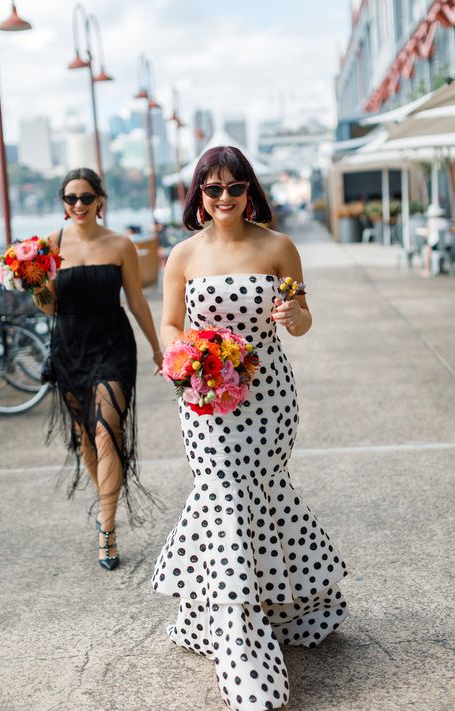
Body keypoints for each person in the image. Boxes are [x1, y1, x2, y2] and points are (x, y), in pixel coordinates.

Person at [152, 146, 348, 711]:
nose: (223, 198)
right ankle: (241, 645)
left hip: (267, 400)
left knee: (256, 495)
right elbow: (169, 323)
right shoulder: (182, 254)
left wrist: (294, 316)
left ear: (249, 191)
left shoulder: (278, 247)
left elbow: (304, 320)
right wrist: (188, 357)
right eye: (212, 190)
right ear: (198, 196)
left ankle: (271, 607)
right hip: (204, 400)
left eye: (234, 188)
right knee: (222, 498)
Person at [33, 167, 163, 571]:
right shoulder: (49, 246)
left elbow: (137, 302)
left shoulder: (121, 244)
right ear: (63, 203)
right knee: (86, 439)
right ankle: (105, 503)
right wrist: (36, 282)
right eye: (70, 199)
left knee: (109, 433)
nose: (78, 206)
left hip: (112, 345)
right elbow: (49, 308)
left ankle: (106, 527)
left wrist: (159, 350)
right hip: (69, 346)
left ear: (100, 200)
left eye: (85, 198)